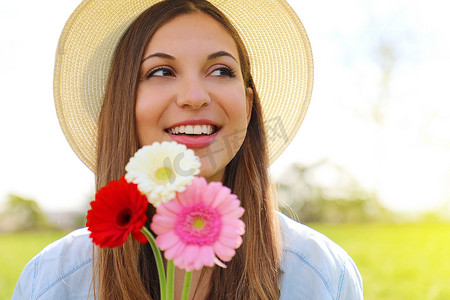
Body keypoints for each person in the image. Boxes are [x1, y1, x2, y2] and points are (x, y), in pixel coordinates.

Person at [13, 0, 363, 299]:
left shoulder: (321, 274)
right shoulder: (51, 281)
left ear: (249, 102)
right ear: (122, 104)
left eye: (221, 70)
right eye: (162, 71)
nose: (194, 96)